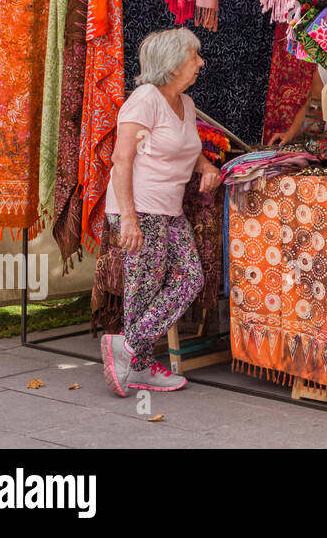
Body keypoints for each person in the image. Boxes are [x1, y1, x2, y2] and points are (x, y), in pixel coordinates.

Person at [99, 28, 221, 396]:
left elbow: (182, 144)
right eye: (193, 56)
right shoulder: (144, 100)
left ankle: (129, 348)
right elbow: (122, 160)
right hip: (140, 207)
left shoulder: (183, 102)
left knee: (189, 278)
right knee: (144, 288)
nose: (200, 62)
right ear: (171, 65)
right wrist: (130, 219)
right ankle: (136, 362)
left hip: (168, 210)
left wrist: (205, 167)